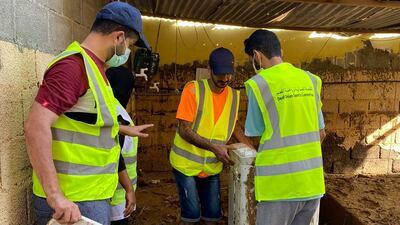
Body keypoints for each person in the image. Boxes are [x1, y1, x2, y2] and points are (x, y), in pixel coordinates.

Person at [24, 2, 153, 225]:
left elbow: (82, 121)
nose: (127, 52)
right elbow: (35, 126)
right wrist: (55, 197)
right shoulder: (73, 67)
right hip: (74, 202)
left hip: (90, 195)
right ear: (119, 37)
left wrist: (121, 128)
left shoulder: (96, 69)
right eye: (130, 44)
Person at [243, 29, 326, 225]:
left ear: (256, 55)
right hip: (312, 185)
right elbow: (321, 132)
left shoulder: (259, 85)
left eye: (250, 58)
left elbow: (255, 133)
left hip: (278, 189)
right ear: (280, 50)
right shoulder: (311, 80)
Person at [169, 47, 254, 225]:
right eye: (220, 74)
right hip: (186, 165)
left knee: (213, 215)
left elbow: (235, 126)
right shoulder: (194, 90)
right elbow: (184, 129)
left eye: (228, 74)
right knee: (191, 214)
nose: (225, 79)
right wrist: (213, 147)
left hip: (211, 167)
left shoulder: (234, 96)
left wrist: (252, 151)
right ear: (209, 69)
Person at [106, 66, 138, 225]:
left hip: (112, 196)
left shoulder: (105, 108)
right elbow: (115, 156)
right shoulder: (118, 115)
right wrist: (129, 189)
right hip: (116, 198)